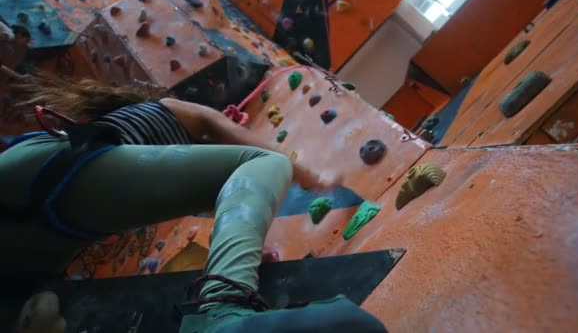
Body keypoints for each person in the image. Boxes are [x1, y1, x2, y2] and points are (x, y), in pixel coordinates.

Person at [0, 70, 387, 332]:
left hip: (26, 217)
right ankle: (221, 307)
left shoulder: (138, 151)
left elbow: (225, 196)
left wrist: (247, 245)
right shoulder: (171, 109)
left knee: (39, 304)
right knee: (264, 163)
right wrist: (310, 176)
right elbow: (227, 140)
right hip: (52, 175)